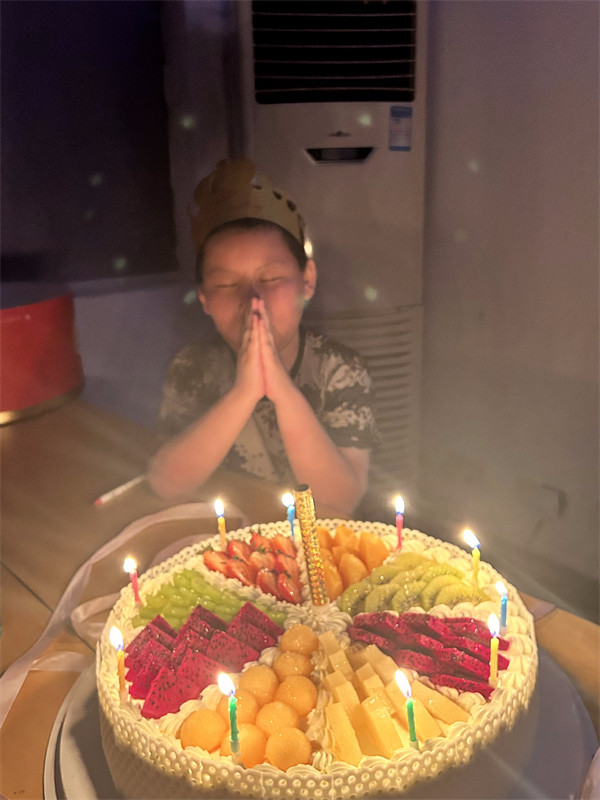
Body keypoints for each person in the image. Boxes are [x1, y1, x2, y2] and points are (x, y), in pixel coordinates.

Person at [148, 159, 379, 515]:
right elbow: (167, 483)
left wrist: (280, 389)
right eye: (227, 284)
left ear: (307, 281)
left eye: (271, 279)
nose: (253, 300)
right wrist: (245, 392)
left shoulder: (339, 369)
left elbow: (340, 500)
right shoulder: (194, 366)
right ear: (205, 298)